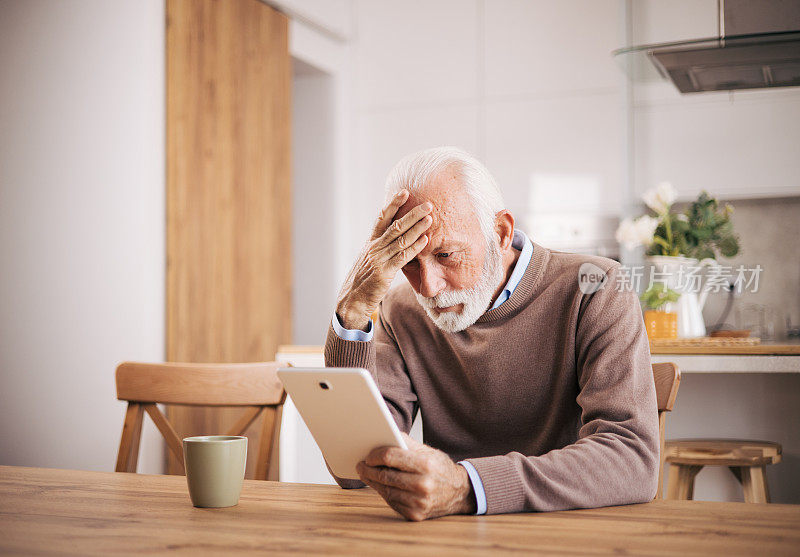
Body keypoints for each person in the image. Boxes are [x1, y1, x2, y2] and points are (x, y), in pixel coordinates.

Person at [325, 146, 659, 521]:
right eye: (409, 262)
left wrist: (468, 488)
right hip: (450, 536)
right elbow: (352, 469)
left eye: (446, 255)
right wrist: (352, 313)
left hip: (569, 529)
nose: (429, 288)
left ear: (501, 232)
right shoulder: (401, 308)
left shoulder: (596, 287)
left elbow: (631, 459)